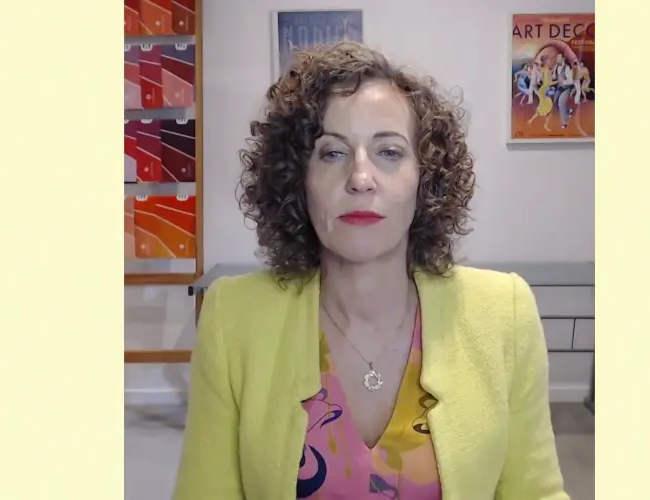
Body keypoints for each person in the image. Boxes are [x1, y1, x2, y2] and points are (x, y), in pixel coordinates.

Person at [172, 42, 569, 500]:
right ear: (298, 179)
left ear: (426, 178)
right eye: (332, 153)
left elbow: (536, 491)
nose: (360, 178)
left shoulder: (504, 313)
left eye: (389, 152)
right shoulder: (232, 319)